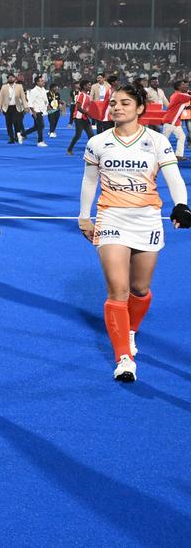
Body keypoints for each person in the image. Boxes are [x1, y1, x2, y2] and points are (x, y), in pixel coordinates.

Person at [79, 83, 189, 382]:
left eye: (125, 103)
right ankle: (124, 358)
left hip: (147, 219)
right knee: (118, 289)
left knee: (139, 289)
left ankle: (129, 330)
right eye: (114, 103)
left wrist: (181, 205)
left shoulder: (156, 141)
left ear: (140, 108)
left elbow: (173, 177)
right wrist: (84, 216)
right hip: (111, 217)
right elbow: (90, 181)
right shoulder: (98, 142)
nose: (117, 107)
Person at [67, 79, 96, 155]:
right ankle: (69, 149)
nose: (90, 86)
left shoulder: (88, 95)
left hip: (85, 118)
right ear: (84, 86)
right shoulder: (81, 95)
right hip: (78, 118)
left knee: (91, 135)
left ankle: (92, 151)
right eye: (89, 85)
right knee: (78, 135)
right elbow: (78, 107)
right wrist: (88, 113)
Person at [21, 75, 49, 147]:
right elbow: (30, 102)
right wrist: (33, 112)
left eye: (43, 80)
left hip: (42, 110)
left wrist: (47, 106)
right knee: (41, 126)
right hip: (36, 111)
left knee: (36, 127)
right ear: (37, 82)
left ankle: (22, 134)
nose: (43, 82)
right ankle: (40, 141)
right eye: (41, 81)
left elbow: (45, 100)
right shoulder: (34, 91)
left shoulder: (43, 89)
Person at [0, 76, 25, 144]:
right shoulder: (4, 87)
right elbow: (1, 97)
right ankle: (11, 138)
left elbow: (23, 97)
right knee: (8, 123)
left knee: (16, 122)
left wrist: (26, 106)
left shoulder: (19, 86)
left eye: (12, 77)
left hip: (16, 107)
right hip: (7, 107)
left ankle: (17, 136)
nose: (11, 79)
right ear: (7, 79)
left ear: (15, 79)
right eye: (9, 78)